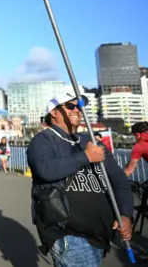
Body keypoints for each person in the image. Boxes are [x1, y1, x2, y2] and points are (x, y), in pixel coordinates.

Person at [27, 92, 133, 267]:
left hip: (100, 235)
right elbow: (45, 170)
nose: (78, 110)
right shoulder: (43, 140)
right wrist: (85, 156)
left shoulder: (91, 141)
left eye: (80, 105)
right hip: (67, 233)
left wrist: (125, 214)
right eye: (71, 106)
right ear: (54, 111)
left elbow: (119, 181)